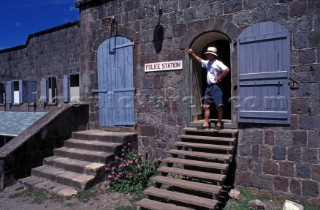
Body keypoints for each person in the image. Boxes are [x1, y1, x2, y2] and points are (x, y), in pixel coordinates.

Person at [188, 46, 230, 130]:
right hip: (209, 87)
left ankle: (219, 124)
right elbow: (200, 60)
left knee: (218, 105)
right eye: (207, 54)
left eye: (209, 54)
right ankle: (206, 123)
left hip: (216, 86)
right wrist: (192, 54)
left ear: (213, 55)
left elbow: (227, 70)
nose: (207, 55)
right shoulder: (207, 63)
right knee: (206, 106)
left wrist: (219, 78)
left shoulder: (217, 62)